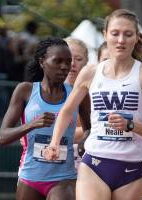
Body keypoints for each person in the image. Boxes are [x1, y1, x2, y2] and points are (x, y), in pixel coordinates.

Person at [44, 9, 142, 200]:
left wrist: (130, 125)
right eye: (115, 33)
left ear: (136, 37)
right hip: (95, 162)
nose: (121, 40)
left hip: (131, 167)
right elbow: (67, 111)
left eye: (128, 34)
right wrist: (54, 142)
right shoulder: (90, 72)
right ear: (105, 34)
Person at [0, 37, 85, 200]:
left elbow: (90, 130)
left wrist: (83, 143)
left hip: (63, 178)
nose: (65, 67)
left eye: (68, 61)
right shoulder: (25, 91)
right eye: (57, 61)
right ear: (42, 61)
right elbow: (2, 138)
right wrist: (31, 124)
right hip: (30, 177)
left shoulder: (76, 93)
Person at [64, 37, 91, 171]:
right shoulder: (42, 91)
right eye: (68, 58)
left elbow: (97, 129)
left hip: (86, 161)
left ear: (86, 62)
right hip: (50, 162)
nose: (72, 63)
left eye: (78, 59)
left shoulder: (95, 92)